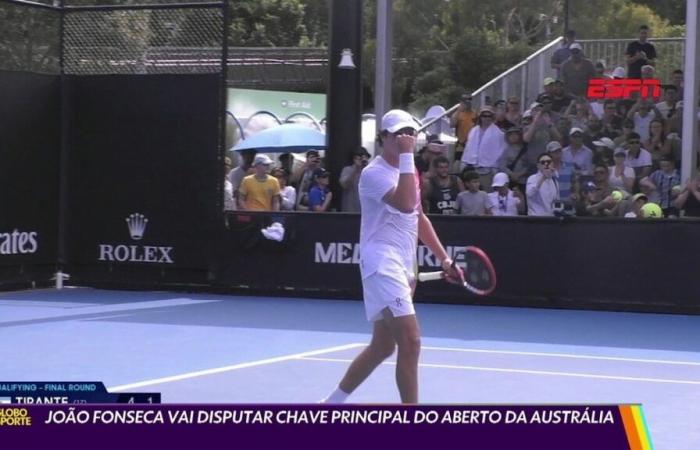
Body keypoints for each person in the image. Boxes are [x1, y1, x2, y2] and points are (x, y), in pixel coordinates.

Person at [321, 109, 463, 404]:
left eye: (409, 132)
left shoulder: (410, 173)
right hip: (381, 264)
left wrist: (444, 260)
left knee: (383, 346)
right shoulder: (373, 173)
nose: (405, 138)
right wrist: (409, 157)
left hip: (404, 265)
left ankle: (330, 405)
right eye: (398, 133)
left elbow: (418, 217)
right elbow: (404, 202)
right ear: (383, 137)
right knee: (411, 341)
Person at [460, 105, 507, 191]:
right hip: (471, 167)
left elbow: (500, 151)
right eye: (484, 116)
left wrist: (494, 168)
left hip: (487, 170)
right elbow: (468, 148)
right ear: (480, 117)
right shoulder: (474, 130)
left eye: (489, 116)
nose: (486, 118)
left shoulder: (498, 133)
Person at [340, 147, 370, 212]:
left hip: (366, 211)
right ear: (354, 159)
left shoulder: (370, 171)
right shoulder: (347, 170)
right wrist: (356, 169)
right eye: (360, 158)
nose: (363, 160)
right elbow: (345, 185)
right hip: (350, 210)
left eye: (365, 157)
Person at [450, 93, 476, 163]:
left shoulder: (475, 114)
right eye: (465, 100)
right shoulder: (458, 114)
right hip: (461, 144)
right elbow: (452, 124)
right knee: (458, 162)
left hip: (471, 144)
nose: (467, 102)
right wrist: (459, 110)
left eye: (469, 99)